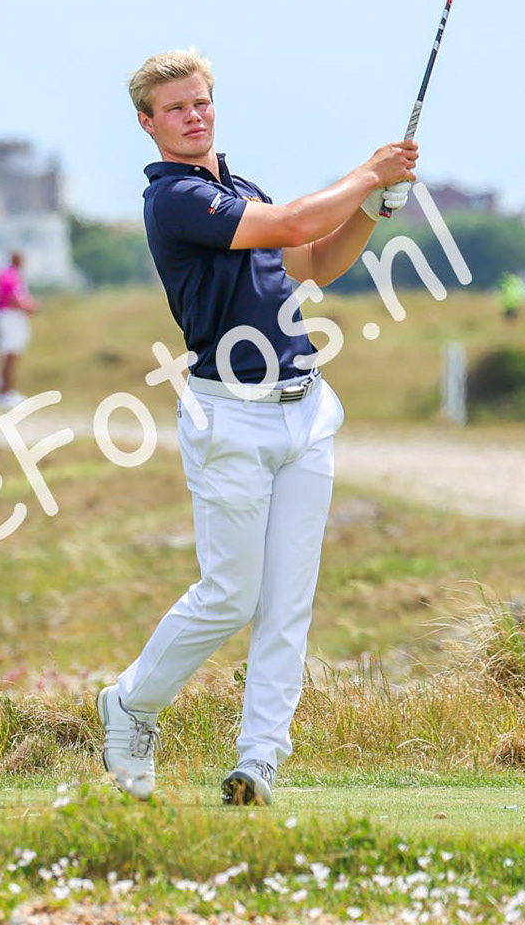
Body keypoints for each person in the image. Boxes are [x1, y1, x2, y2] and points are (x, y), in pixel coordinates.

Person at [99, 49, 418, 807]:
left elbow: (313, 260)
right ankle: (132, 704)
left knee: (286, 603)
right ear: (147, 123)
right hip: (230, 418)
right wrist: (369, 173)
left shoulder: (240, 190)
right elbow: (297, 220)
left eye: (201, 101)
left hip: (305, 409)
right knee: (229, 596)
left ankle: (260, 759)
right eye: (175, 108)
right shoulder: (175, 198)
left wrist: (373, 209)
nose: (194, 116)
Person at [0, 251, 38, 408]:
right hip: (10, 317)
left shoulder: (14, 275)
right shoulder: (9, 276)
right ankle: (4, 393)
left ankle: (7, 391)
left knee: (12, 355)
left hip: (14, 317)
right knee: (9, 355)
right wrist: (29, 307)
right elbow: (12, 299)